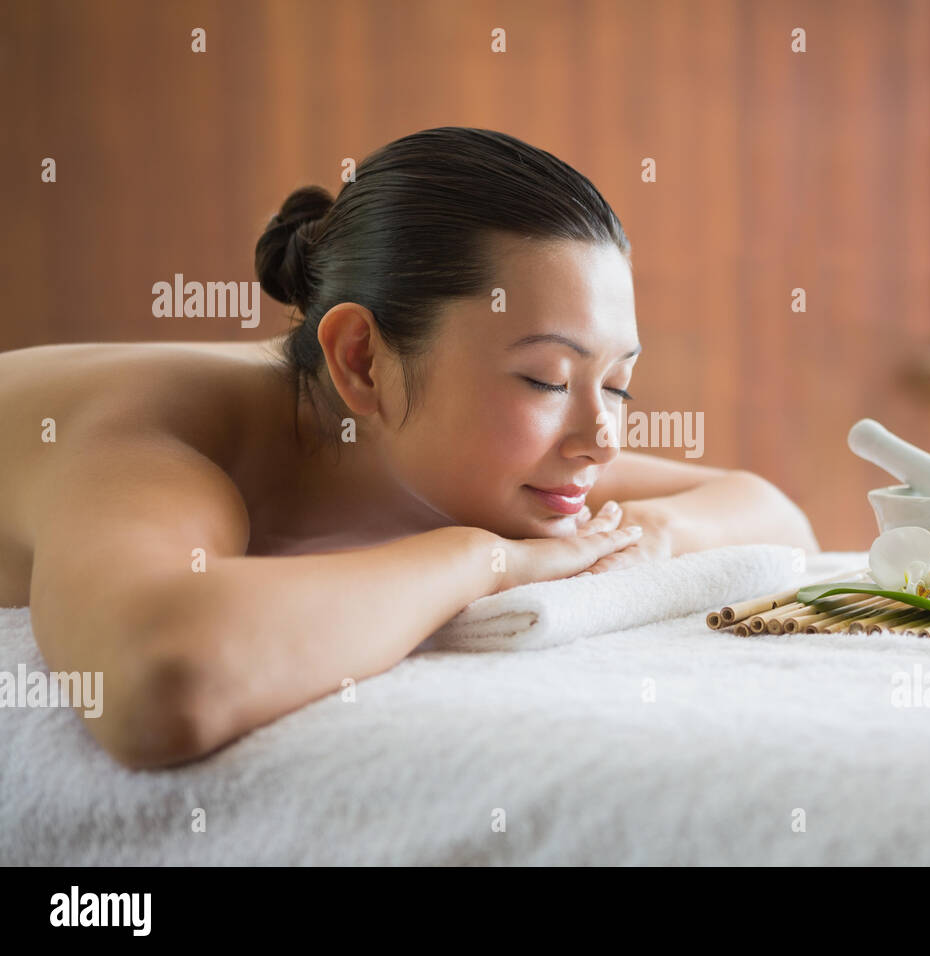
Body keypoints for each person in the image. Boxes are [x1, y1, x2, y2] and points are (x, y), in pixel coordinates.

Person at [0, 127, 819, 770]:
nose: (600, 439)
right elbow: (158, 683)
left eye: (617, 383)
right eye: (543, 378)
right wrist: (479, 562)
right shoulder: (164, 443)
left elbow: (771, 514)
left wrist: (631, 541)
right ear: (361, 358)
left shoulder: (438, 441)